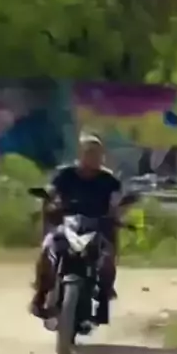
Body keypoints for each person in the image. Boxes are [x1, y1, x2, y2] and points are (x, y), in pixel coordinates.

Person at [30, 135, 122, 318]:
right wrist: (50, 200)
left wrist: (118, 211)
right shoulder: (65, 175)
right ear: (80, 154)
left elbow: (116, 202)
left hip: (97, 225)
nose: (93, 157)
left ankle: (105, 294)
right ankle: (40, 294)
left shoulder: (109, 180)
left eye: (97, 153)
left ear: (102, 156)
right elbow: (51, 191)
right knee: (47, 249)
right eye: (89, 152)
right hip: (67, 223)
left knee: (107, 256)